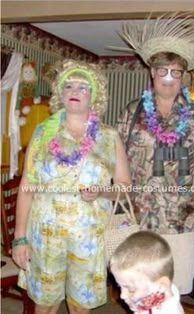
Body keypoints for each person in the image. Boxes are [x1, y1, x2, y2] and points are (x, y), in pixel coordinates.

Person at [113, 13, 194, 295]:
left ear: (183, 75)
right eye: (162, 70)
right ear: (152, 72)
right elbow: (115, 163)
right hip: (137, 223)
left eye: (175, 71)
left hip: (182, 223)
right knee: (139, 294)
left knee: (173, 295)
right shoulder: (132, 112)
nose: (168, 77)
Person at [12, 59, 131, 314]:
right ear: (60, 93)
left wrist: (100, 191)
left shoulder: (109, 137)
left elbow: (124, 187)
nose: (75, 91)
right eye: (69, 85)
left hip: (89, 239)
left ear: (94, 96)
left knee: (80, 308)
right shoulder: (42, 132)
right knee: (44, 306)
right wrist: (19, 238)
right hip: (44, 236)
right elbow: (27, 187)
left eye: (83, 87)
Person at [110, 231, 184, 314]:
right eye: (119, 286)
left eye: (131, 289)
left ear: (161, 287)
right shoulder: (159, 295)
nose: (122, 296)